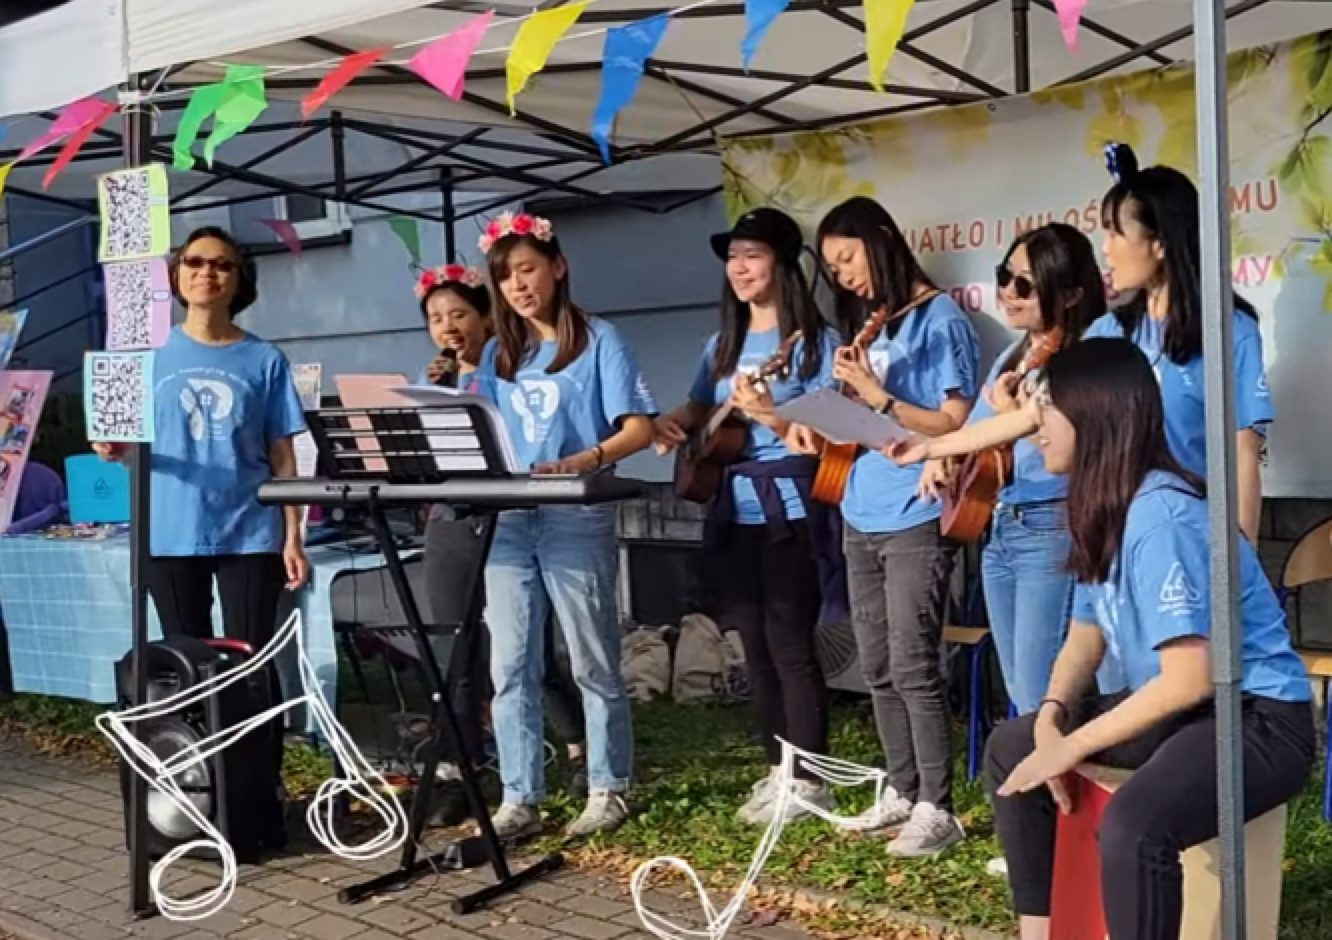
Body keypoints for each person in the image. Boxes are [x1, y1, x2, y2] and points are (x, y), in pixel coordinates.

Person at [985, 337, 1312, 940]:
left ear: (1094, 414)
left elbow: (1189, 676)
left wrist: (1072, 744)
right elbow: (1085, 637)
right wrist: (1051, 720)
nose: (1036, 429)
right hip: (1191, 713)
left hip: (1258, 718)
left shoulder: (1162, 516)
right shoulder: (1104, 506)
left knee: (1137, 825)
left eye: (1048, 410)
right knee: (1011, 746)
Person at [891, 143, 1273, 544]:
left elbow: (1243, 456)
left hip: (1189, 539)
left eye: (1114, 233)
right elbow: (1029, 416)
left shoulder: (1230, 331)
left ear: (1159, 243)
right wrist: (931, 449)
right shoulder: (1109, 331)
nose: (1104, 249)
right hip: (1112, 540)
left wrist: (1240, 565)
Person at [795, 196, 980, 856]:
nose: (842, 275)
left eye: (847, 258)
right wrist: (809, 414)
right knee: (874, 662)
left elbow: (957, 421)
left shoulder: (940, 319)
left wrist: (879, 399)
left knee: (912, 662)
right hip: (858, 508)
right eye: (833, 267)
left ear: (880, 240)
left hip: (916, 513)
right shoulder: (873, 325)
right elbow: (849, 425)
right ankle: (901, 789)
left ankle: (939, 805)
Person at [653, 208, 839, 825]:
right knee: (752, 647)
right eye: (733, 256)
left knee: (790, 644)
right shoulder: (721, 345)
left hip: (791, 510)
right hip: (732, 511)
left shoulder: (815, 345)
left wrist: (768, 415)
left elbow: (828, 433)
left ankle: (811, 779)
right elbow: (703, 403)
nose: (738, 267)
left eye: (752, 255)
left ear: (782, 265)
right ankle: (773, 771)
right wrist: (675, 423)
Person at [472, 212, 655, 838]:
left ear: (557, 267)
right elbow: (480, 429)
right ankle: (519, 796)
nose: (518, 287)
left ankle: (609, 784)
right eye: (505, 278)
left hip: (576, 513)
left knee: (590, 657)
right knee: (511, 664)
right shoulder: (499, 351)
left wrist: (587, 458)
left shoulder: (601, 339)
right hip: (510, 519)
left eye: (527, 270)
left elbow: (639, 426)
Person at [412, 264, 589, 821]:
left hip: (509, 519)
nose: (448, 327)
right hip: (450, 522)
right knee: (454, 648)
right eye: (436, 318)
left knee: (525, 650)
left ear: (487, 318)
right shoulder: (433, 382)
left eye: (459, 314)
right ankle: (466, 771)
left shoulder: (513, 375)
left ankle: (581, 744)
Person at [917, 225, 1102, 715]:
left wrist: (1006, 419)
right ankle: (1033, 783)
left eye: (1026, 284)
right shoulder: (1013, 355)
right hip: (1002, 526)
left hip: (1052, 524)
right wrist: (941, 456)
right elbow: (977, 431)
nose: (1008, 293)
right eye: (1004, 276)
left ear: (1071, 294)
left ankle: (1050, 784)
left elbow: (1073, 441)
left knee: (1042, 689)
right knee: (1018, 683)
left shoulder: (1086, 357)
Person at [94, 226, 309, 650]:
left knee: (251, 659)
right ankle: (193, 722)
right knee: (186, 660)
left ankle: (258, 721)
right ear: (175, 275)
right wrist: (112, 449)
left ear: (239, 280)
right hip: (168, 529)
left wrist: (293, 536)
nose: (206, 272)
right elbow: (120, 441)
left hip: (250, 531)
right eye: (194, 261)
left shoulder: (265, 359)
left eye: (221, 264)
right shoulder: (141, 355)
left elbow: (283, 457)